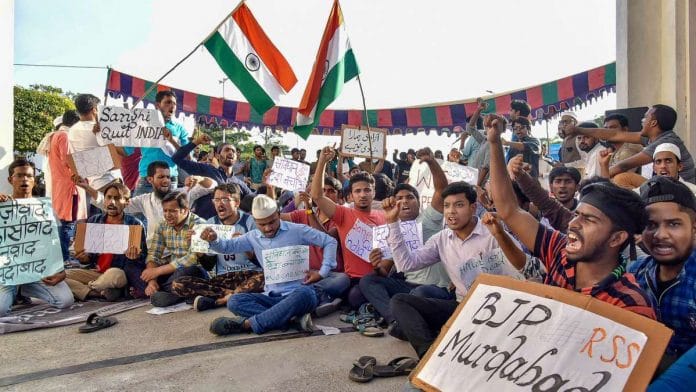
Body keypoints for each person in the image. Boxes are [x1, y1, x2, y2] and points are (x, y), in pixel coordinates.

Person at [486, 113, 655, 318]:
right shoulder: (558, 251)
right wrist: (494, 143)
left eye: (589, 219)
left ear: (617, 237)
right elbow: (509, 210)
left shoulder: (630, 306)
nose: (574, 223)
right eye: (577, 215)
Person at [386, 181, 534, 358]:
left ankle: (441, 336)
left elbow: (525, 269)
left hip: (498, 311)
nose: (451, 212)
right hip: (461, 307)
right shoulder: (441, 238)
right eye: (447, 206)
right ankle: (429, 355)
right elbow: (405, 264)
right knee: (400, 302)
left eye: (459, 205)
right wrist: (392, 223)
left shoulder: (493, 233)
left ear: (473, 208)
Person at [200, 195, 341, 336]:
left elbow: (330, 241)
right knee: (234, 301)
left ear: (278, 215)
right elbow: (227, 247)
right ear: (255, 221)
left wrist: (322, 272)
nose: (268, 228)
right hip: (270, 296)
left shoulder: (297, 230)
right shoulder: (252, 237)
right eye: (262, 224)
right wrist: (214, 240)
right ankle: (291, 320)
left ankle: (247, 324)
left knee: (306, 294)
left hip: (298, 293)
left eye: (272, 222)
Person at [361, 151, 452, 336]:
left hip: (435, 288)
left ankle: (408, 320)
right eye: (399, 199)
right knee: (368, 281)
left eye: (409, 197)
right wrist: (376, 265)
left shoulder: (428, 218)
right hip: (407, 284)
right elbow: (385, 271)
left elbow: (442, 189)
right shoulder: (390, 228)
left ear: (419, 202)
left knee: (418, 296)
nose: (404, 201)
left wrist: (432, 162)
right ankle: (395, 320)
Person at [630, 177, 696, 371]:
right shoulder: (635, 273)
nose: (660, 235)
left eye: (674, 224)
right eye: (651, 225)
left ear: (694, 228)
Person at [311, 146, 387, 308]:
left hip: (378, 277)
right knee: (354, 296)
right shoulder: (344, 214)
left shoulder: (384, 217)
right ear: (350, 196)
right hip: (352, 279)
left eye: (367, 190)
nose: (362, 194)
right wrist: (323, 162)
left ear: (373, 192)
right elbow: (317, 196)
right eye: (357, 191)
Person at [171, 183, 264, 311]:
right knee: (178, 284)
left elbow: (263, 261)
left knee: (266, 278)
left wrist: (246, 249)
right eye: (216, 199)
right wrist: (199, 250)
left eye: (225, 199)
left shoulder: (250, 222)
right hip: (224, 278)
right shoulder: (209, 224)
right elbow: (209, 265)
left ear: (236, 202)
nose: (220, 204)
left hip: (250, 274)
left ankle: (218, 301)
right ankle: (233, 295)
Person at [0, 159, 74, 316]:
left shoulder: (45, 209)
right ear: (10, 179)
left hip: (38, 271)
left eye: (29, 176)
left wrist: (60, 271)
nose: (24, 180)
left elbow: (55, 243)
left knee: (65, 300)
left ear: (34, 180)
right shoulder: (2, 206)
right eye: (19, 175)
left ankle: (24, 289)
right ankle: (15, 291)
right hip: (8, 272)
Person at [77, 161, 215, 242]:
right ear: (150, 180)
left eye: (168, 176)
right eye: (161, 177)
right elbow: (112, 205)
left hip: (181, 255)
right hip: (153, 256)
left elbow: (212, 186)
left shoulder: (182, 193)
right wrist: (86, 187)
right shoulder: (145, 200)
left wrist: (200, 178)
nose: (166, 180)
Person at [565, 104, 696, 184]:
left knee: (622, 179)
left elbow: (623, 166)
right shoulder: (652, 138)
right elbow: (614, 134)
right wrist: (578, 129)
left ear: (653, 123)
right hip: (665, 184)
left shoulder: (665, 142)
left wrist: (592, 183)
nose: (642, 120)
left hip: (684, 189)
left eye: (645, 117)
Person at [64, 183, 148, 300]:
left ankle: (88, 289)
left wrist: (135, 256)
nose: (112, 203)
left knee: (115, 275)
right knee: (61, 276)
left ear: (127, 203)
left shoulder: (134, 224)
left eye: (117, 198)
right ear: (104, 200)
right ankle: (97, 293)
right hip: (95, 273)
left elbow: (143, 258)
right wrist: (84, 259)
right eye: (109, 197)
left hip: (117, 274)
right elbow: (87, 259)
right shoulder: (94, 221)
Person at [140, 191, 208, 306]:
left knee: (187, 271)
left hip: (195, 270)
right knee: (142, 268)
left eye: (172, 211)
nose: (167, 215)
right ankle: (172, 292)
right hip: (172, 271)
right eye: (165, 211)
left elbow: (192, 259)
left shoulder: (199, 224)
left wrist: (157, 271)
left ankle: (168, 293)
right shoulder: (162, 225)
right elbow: (154, 254)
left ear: (185, 210)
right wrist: (152, 280)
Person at [127, 90, 189, 196]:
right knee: (137, 212)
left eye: (174, 104)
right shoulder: (143, 125)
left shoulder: (180, 129)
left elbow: (187, 156)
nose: (172, 106)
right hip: (147, 178)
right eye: (168, 102)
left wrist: (172, 141)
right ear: (158, 105)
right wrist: (104, 132)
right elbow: (125, 150)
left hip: (170, 179)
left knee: (168, 212)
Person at [45, 110, 87, 262]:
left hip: (61, 187)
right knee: (67, 226)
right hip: (71, 188)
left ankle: (60, 259)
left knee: (62, 225)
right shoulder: (64, 136)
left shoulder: (54, 135)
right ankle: (63, 260)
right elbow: (68, 161)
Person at [170, 132, 255, 199]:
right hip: (204, 220)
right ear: (217, 156)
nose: (230, 152)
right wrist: (197, 142)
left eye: (233, 151)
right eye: (227, 150)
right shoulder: (206, 170)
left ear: (236, 158)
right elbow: (176, 158)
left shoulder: (240, 184)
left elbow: (253, 200)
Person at [67, 94, 123, 192]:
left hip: (88, 185)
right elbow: (123, 153)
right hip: (108, 182)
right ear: (94, 110)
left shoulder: (71, 131)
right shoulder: (101, 129)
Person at [512, 162, 581, 232]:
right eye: (558, 181)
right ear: (551, 187)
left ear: (577, 187)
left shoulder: (583, 212)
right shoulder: (537, 210)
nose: (562, 186)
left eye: (568, 182)